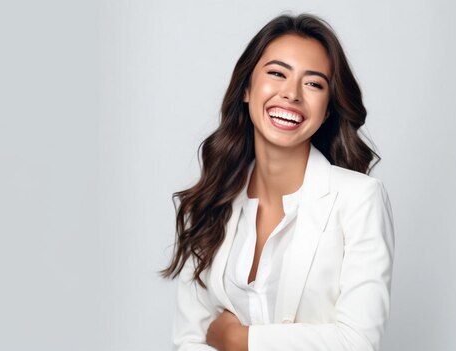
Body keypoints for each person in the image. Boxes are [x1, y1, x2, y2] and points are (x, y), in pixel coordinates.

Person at [161, 13, 395, 351]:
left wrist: (239, 340)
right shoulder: (208, 205)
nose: (291, 94)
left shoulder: (359, 200)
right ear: (246, 88)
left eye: (313, 83)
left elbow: (357, 342)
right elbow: (189, 341)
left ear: (327, 108)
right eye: (276, 73)